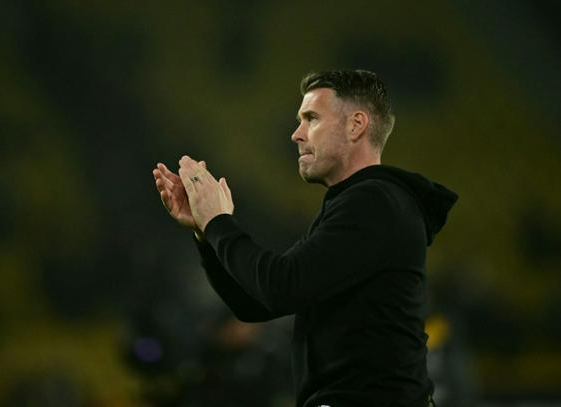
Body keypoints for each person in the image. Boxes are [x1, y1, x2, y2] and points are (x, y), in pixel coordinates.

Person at [152, 70, 458, 407]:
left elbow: (280, 286)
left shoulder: (374, 202)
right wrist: (205, 230)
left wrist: (218, 221)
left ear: (356, 125)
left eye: (311, 118)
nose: (296, 134)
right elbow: (254, 303)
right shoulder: (361, 205)